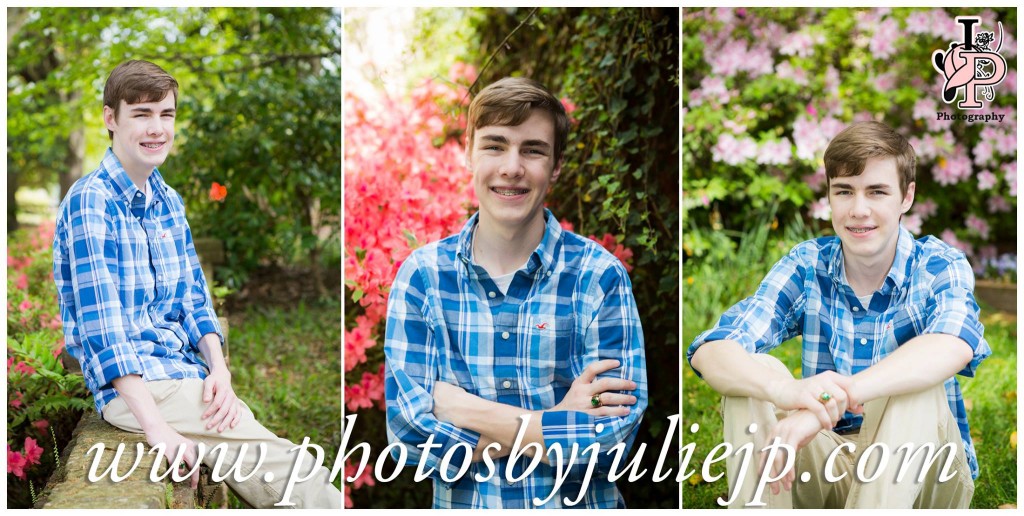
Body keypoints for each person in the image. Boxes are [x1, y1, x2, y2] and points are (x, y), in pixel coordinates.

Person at [52, 60, 341, 508]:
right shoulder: (92, 202)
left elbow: (194, 299)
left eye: (165, 115)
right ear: (111, 119)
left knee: (277, 466)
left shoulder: (168, 200)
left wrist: (221, 373)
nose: (157, 129)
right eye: (142, 114)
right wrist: (157, 429)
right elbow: (103, 330)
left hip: (184, 376)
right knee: (301, 477)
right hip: (141, 388)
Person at [687, 121, 990, 509]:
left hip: (922, 474)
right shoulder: (808, 264)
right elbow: (711, 348)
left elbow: (952, 343)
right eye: (844, 191)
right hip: (823, 463)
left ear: (906, 197)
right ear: (830, 196)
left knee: (916, 384)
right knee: (756, 372)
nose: (858, 210)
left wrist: (826, 405)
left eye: (877, 192)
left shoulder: (938, 264)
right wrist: (788, 392)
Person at [384, 77, 648, 508]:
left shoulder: (600, 278)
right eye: (495, 145)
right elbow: (409, 441)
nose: (512, 167)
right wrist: (558, 421)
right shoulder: (423, 278)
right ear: (468, 152)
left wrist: (460, 409)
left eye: (533, 149)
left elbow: (611, 443)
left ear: (556, 165)